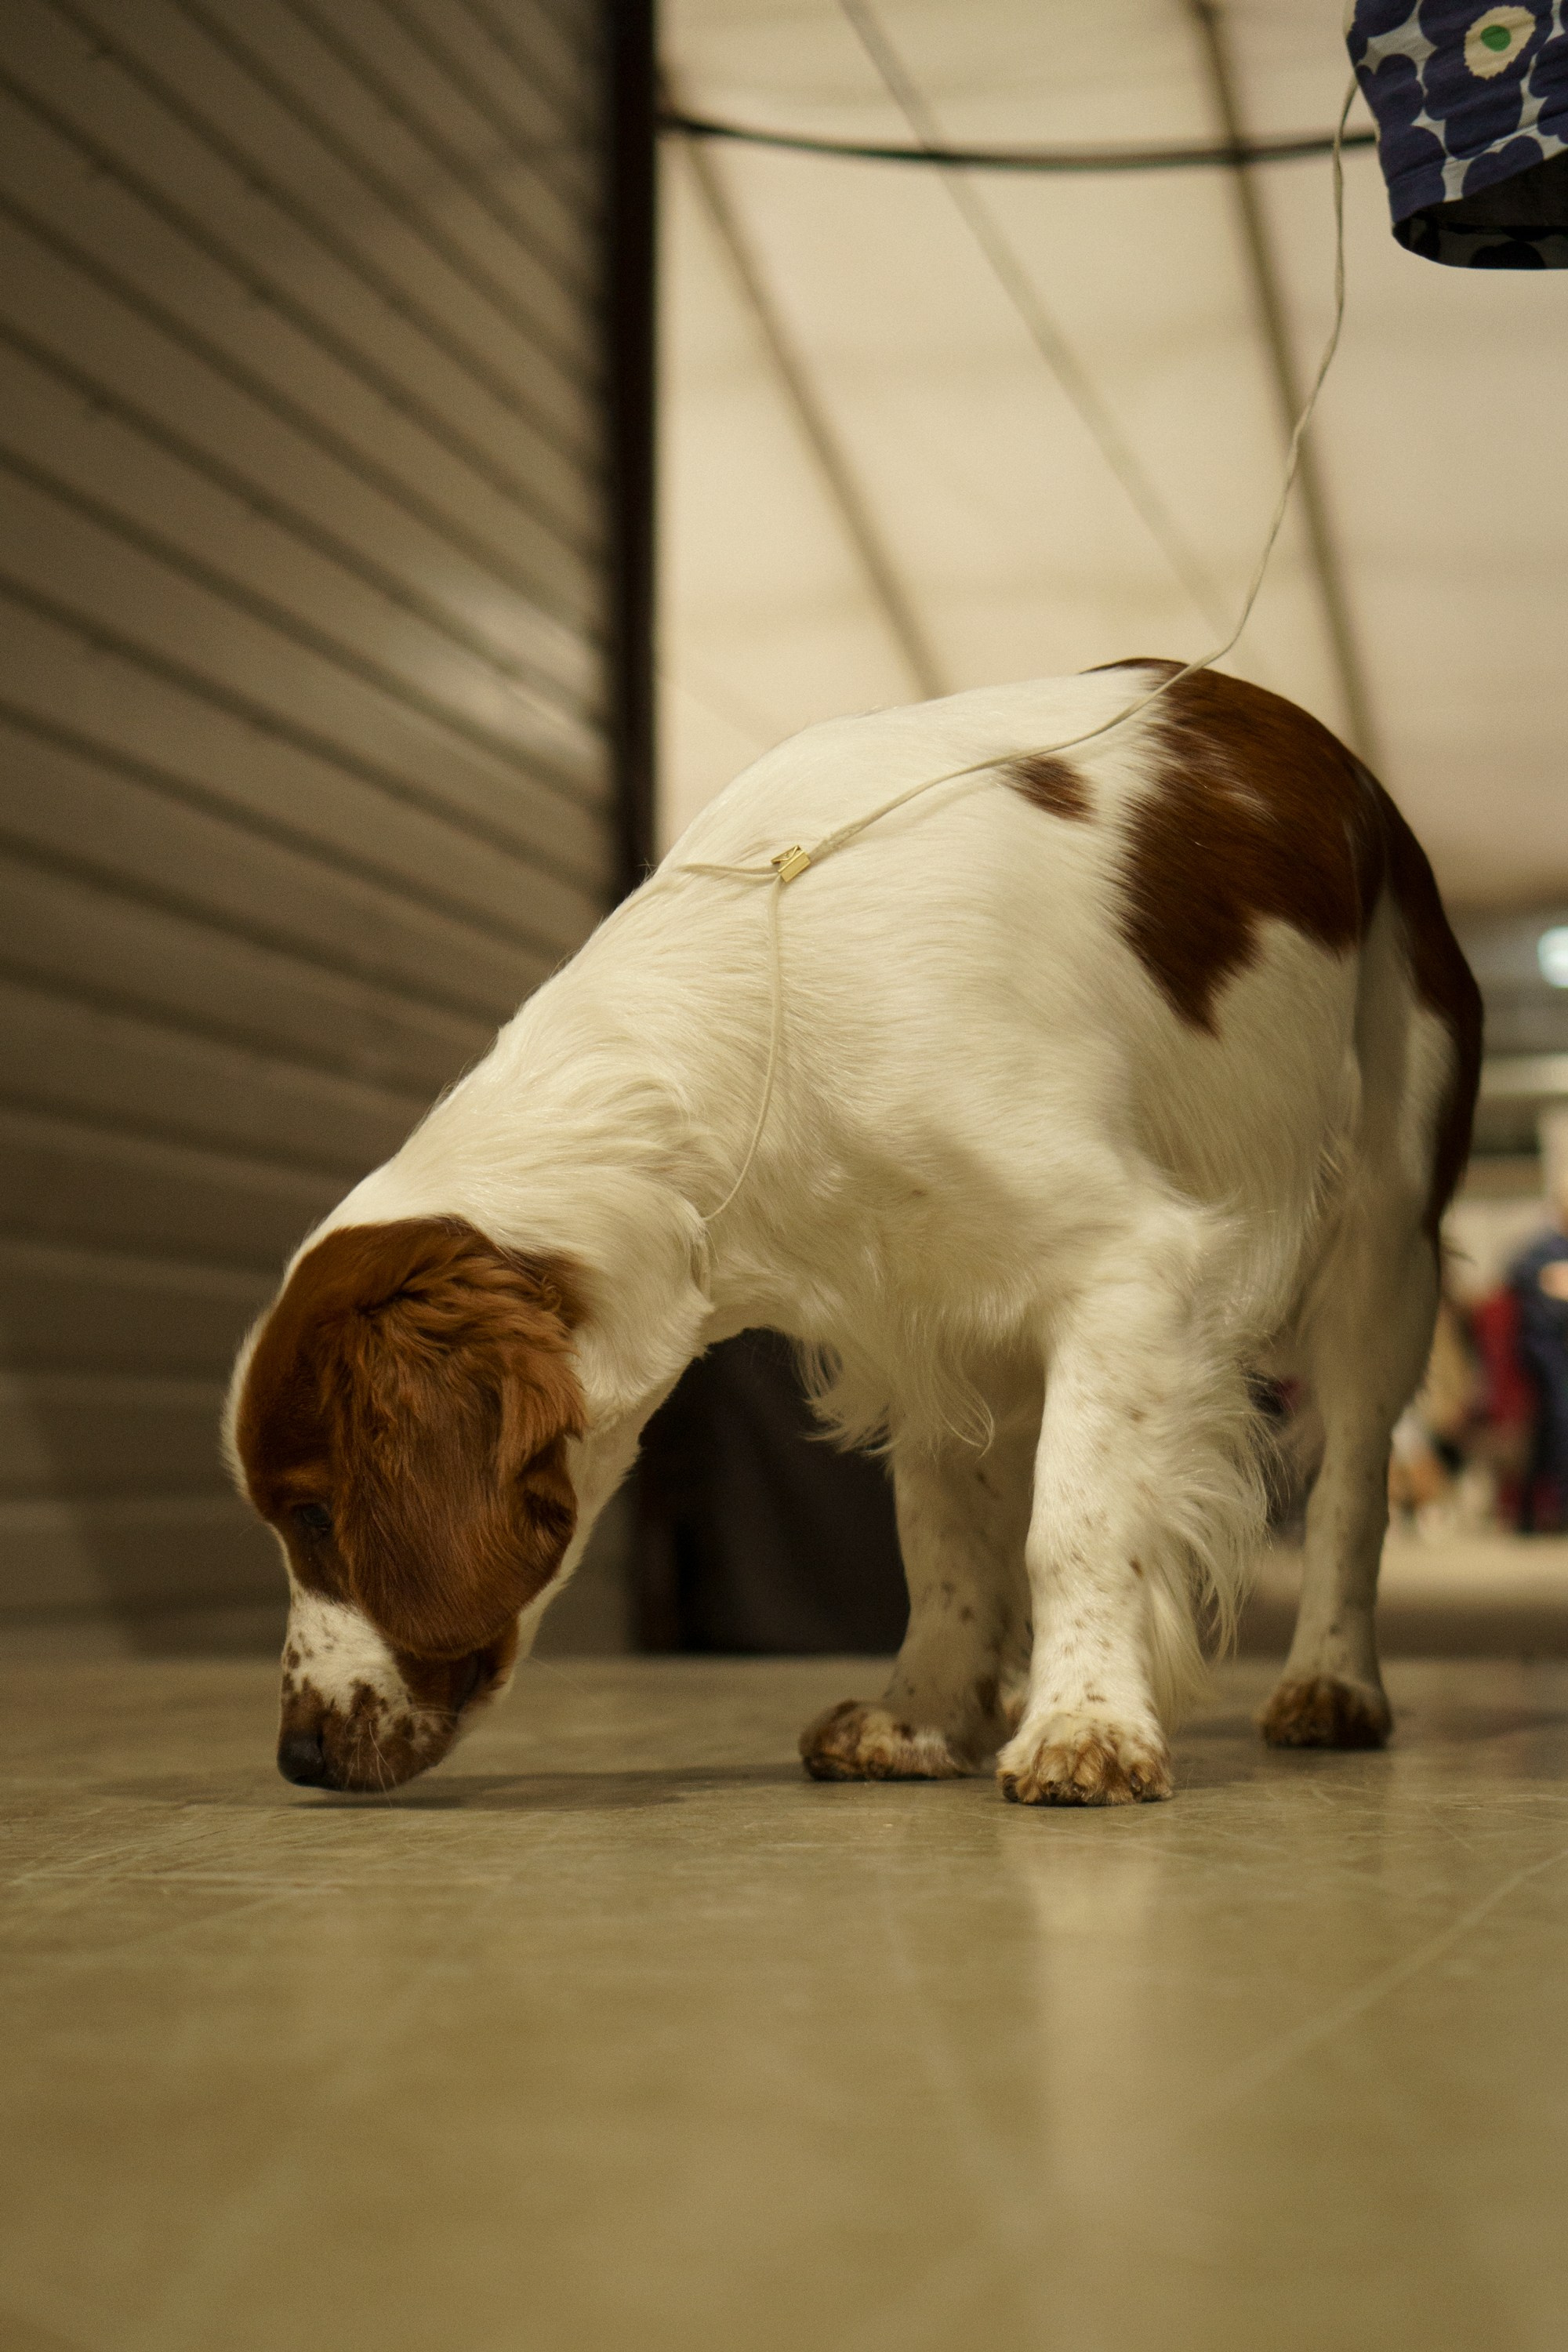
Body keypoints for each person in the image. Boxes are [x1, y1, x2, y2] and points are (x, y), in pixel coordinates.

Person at [1509, 1185, 1568, 1532]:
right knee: (1559, 1422)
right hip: (1548, 1356)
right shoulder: (1541, 1251)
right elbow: (1520, 1278)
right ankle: (1556, 1505)